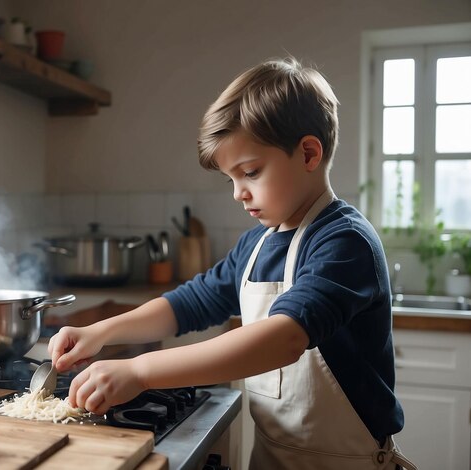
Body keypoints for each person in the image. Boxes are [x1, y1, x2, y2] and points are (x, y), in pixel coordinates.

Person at [48, 57, 416, 470]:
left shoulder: (344, 243)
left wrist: (142, 370)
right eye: (232, 179)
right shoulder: (256, 244)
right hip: (271, 458)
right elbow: (190, 303)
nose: (238, 193)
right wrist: (101, 332)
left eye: (251, 172)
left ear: (309, 153)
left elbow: (283, 340)